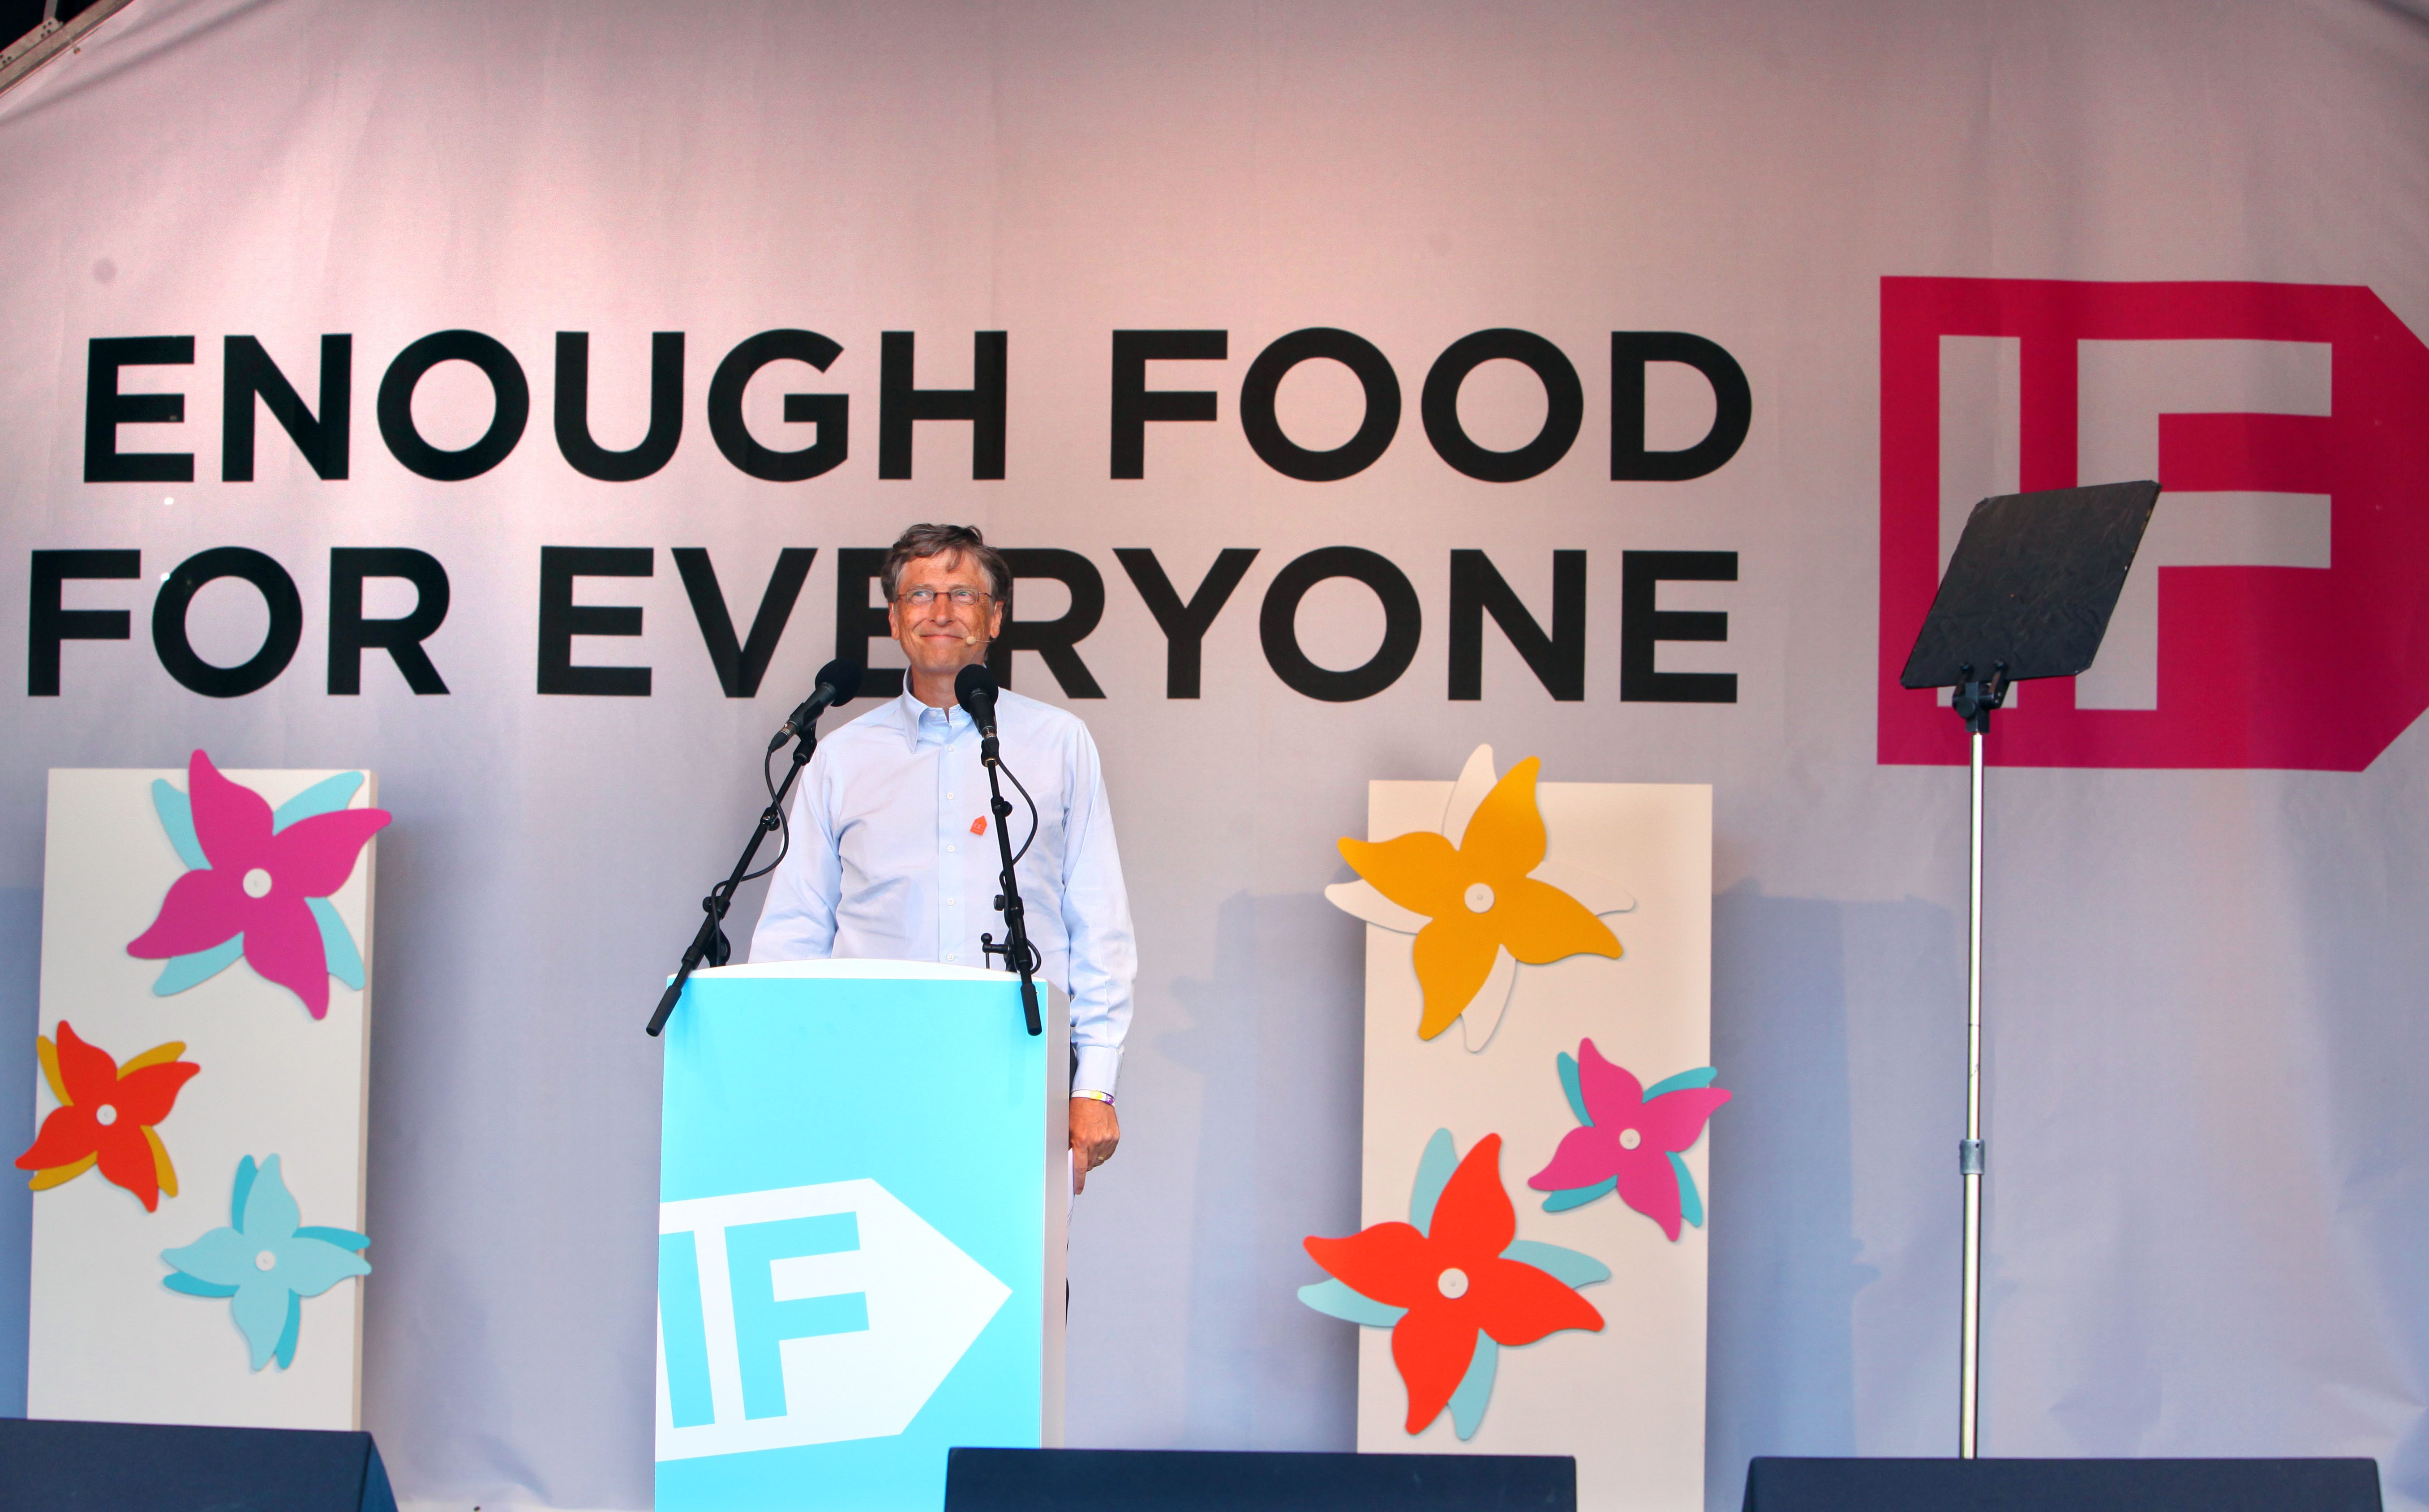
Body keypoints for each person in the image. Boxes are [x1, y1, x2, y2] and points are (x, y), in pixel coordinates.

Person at [751, 523, 1131, 1190]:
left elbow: (1098, 924)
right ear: (895, 617)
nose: (942, 611)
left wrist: (1095, 1086)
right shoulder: (843, 755)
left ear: (996, 617)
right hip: (864, 1067)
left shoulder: (1058, 742)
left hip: (1020, 1068)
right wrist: (782, 1072)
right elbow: (794, 929)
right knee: (872, 1278)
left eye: (964, 593)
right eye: (921, 592)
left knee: (1015, 1287)